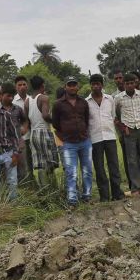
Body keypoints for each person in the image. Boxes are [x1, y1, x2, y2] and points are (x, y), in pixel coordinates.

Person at [51, 76, 92, 207]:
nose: (72, 87)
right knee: (71, 172)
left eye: (74, 84)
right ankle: (72, 200)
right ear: (65, 87)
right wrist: (64, 137)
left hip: (85, 141)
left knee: (87, 170)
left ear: (77, 86)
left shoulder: (83, 102)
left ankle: (87, 196)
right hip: (69, 144)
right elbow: (56, 124)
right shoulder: (58, 104)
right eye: (70, 85)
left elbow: (86, 120)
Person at [86, 74, 123, 201]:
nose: (96, 86)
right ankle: (104, 197)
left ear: (102, 85)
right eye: (93, 84)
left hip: (110, 136)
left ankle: (117, 194)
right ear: (90, 85)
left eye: (98, 84)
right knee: (99, 168)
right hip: (95, 139)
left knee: (114, 166)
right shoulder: (87, 102)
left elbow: (113, 116)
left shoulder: (110, 99)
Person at [25, 76, 57, 189]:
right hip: (44, 132)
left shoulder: (27, 101)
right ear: (42, 85)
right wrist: (55, 121)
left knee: (40, 164)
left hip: (33, 134)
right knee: (50, 163)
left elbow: (27, 120)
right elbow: (45, 115)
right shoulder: (44, 98)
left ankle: (44, 191)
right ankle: (54, 190)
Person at [12, 75, 34, 185]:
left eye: (24, 84)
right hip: (21, 138)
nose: (22, 87)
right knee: (23, 164)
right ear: (15, 87)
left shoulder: (32, 99)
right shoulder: (13, 101)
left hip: (33, 136)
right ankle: (26, 186)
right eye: (19, 85)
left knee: (33, 163)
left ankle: (33, 184)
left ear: (28, 86)